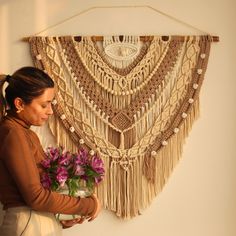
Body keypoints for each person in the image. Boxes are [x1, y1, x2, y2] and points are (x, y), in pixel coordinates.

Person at [0, 67, 101, 236]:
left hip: (32, 223)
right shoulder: (13, 132)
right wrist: (89, 205)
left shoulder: (24, 132)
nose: (50, 111)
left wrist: (57, 218)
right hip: (28, 224)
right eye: (43, 105)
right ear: (19, 104)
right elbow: (36, 197)